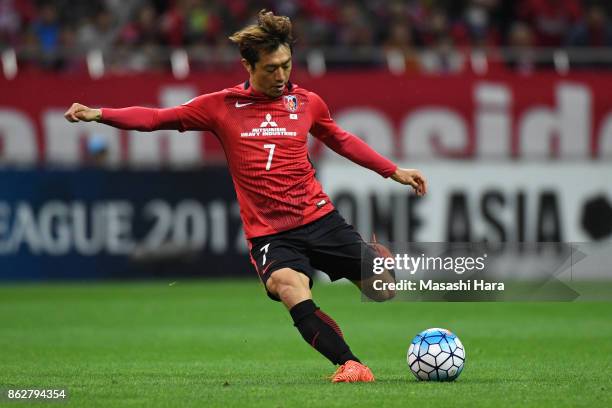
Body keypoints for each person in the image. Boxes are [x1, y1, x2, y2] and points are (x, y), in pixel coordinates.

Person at [64, 10, 427, 383]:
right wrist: (99, 114)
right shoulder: (220, 107)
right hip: (271, 234)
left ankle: (376, 260)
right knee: (289, 286)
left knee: (384, 291)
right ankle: (351, 364)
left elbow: (340, 139)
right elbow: (157, 118)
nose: (282, 76)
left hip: (319, 218)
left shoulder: (306, 103)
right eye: (271, 68)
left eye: (287, 65)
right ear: (248, 66)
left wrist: (392, 170)